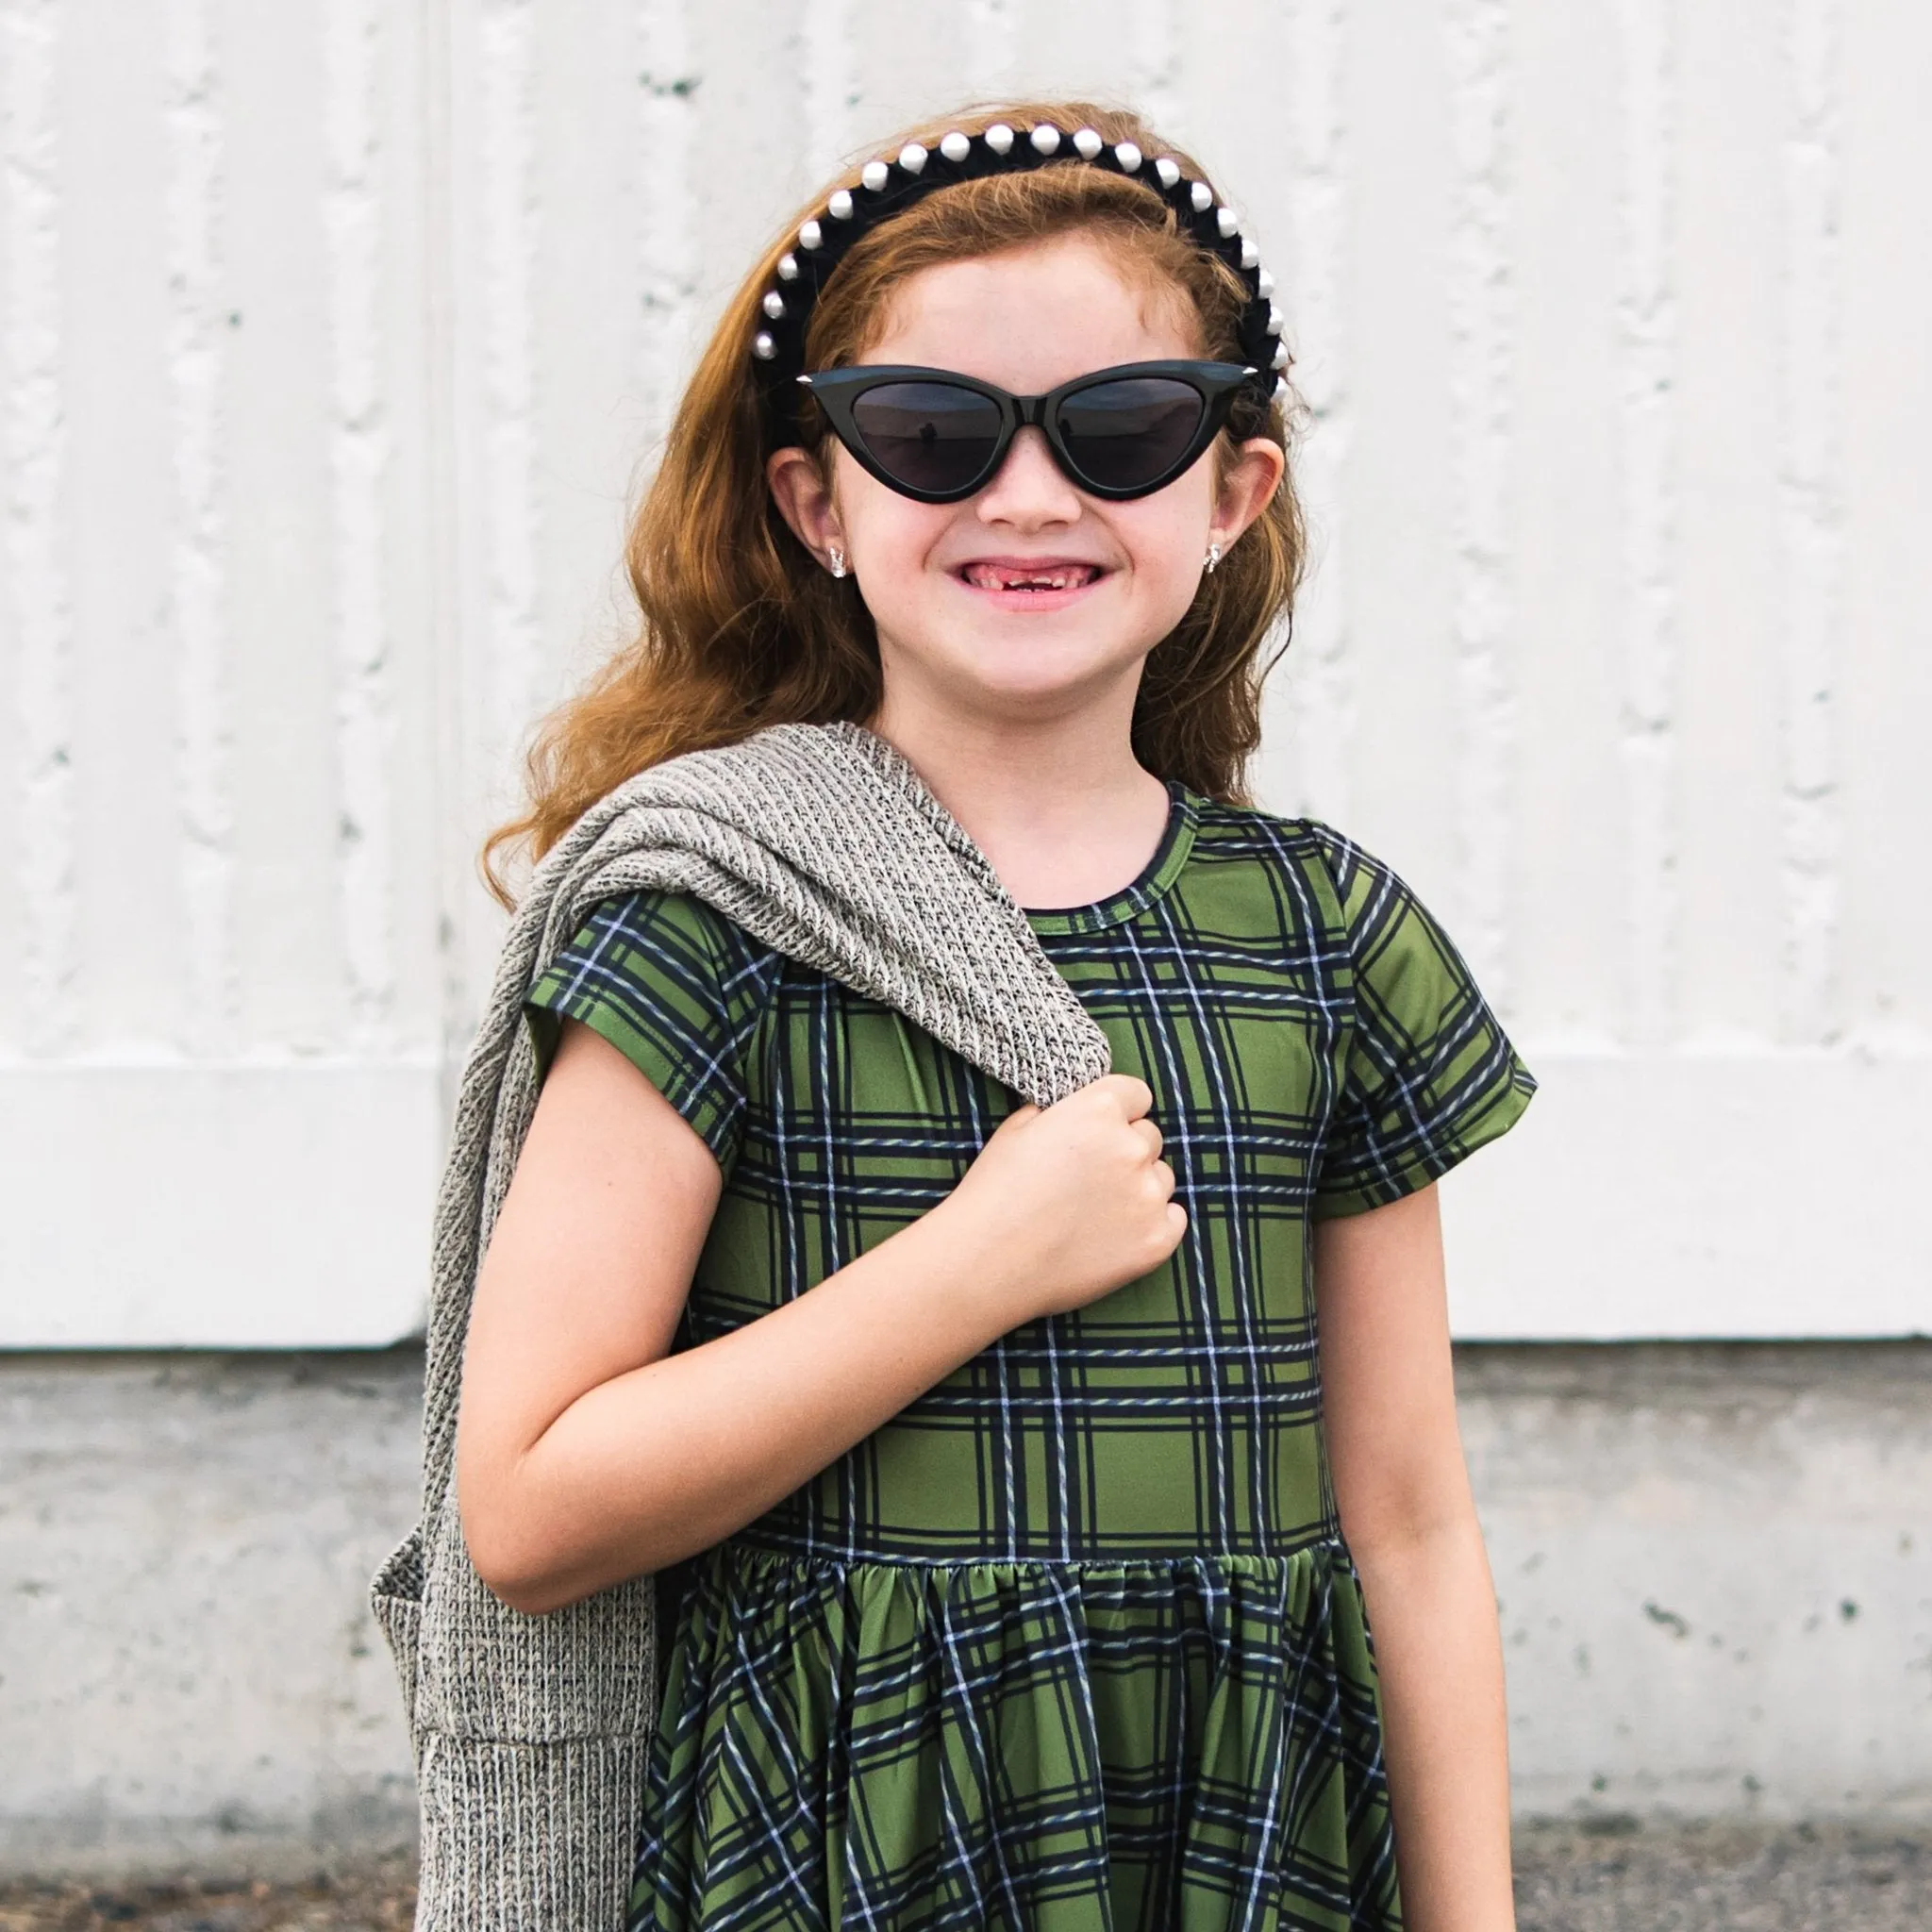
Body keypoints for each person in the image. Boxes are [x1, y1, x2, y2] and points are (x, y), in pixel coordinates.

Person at [455, 99, 1536, 1932]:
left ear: (1230, 489)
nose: (1028, 497)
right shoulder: (713, 918)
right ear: (817, 497)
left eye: (1118, 430)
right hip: (846, 1843)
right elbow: (532, 1504)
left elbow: (1410, 1522)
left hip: (1235, 1835)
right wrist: (974, 1263)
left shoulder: (1324, 935)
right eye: (934, 434)